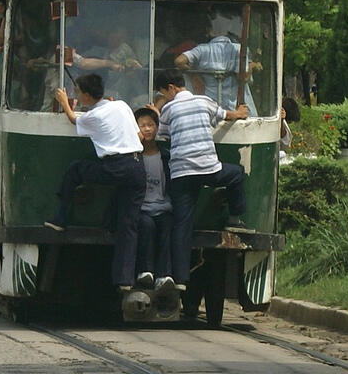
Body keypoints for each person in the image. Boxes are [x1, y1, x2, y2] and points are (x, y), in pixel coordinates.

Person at [44, 73, 146, 291]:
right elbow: (138, 135)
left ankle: (61, 218)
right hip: (137, 166)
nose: (77, 96)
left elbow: (73, 119)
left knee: (76, 170)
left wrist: (64, 103)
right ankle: (125, 280)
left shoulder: (94, 116)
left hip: (114, 166)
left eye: (79, 92)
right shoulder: (121, 105)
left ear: (88, 96)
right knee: (128, 226)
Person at [155, 70, 250, 289]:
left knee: (182, 225)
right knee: (235, 174)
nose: (165, 97)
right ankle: (235, 218)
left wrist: (157, 109)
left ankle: (180, 279)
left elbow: (162, 133)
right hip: (208, 168)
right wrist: (239, 112)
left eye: (164, 93)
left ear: (171, 88)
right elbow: (227, 116)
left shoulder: (168, 109)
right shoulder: (204, 101)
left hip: (181, 173)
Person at [175, 11, 259, 115]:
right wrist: (252, 65)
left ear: (210, 31)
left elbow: (179, 61)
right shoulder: (239, 49)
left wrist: (193, 75)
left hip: (211, 109)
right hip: (235, 108)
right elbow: (244, 77)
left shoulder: (202, 49)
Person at [132, 106, 178, 293]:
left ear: (157, 127)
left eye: (151, 125)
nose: (147, 129)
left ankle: (164, 275)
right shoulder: (133, 155)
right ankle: (145, 270)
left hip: (163, 207)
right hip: (142, 209)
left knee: (167, 227)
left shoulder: (165, 155)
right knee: (147, 227)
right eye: (142, 126)